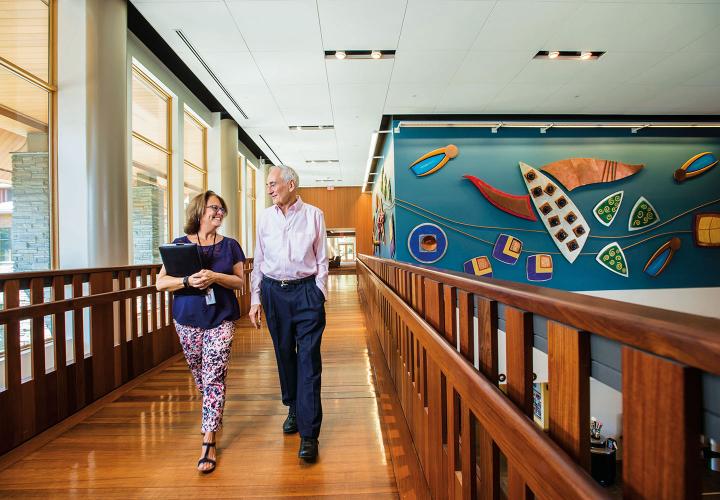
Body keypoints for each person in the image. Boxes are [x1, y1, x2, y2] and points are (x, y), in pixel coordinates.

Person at [156, 191, 245, 473]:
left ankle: (208, 440)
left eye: (222, 209)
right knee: (201, 376)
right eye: (214, 208)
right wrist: (186, 280)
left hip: (221, 319)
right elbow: (160, 283)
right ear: (199, 210)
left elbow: (240, 282)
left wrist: (216, 276)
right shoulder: (178, 245)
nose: (220, 213)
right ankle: (213, 411)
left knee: (214, 375)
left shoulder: (230, 246)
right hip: (187, 319)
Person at [249, 165, 328, 462]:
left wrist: (319, 293)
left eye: (273, 184)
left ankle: (309, 434)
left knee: (309, 360)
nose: (269, 189)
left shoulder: (314, 215)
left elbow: (321, 259)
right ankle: (293, 406)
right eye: (268, 185)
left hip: (306, 292)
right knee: (284, 354)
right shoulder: (265, 218)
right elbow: (258, 259)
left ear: (290, 184)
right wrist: (256, 299)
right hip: (273, 293)